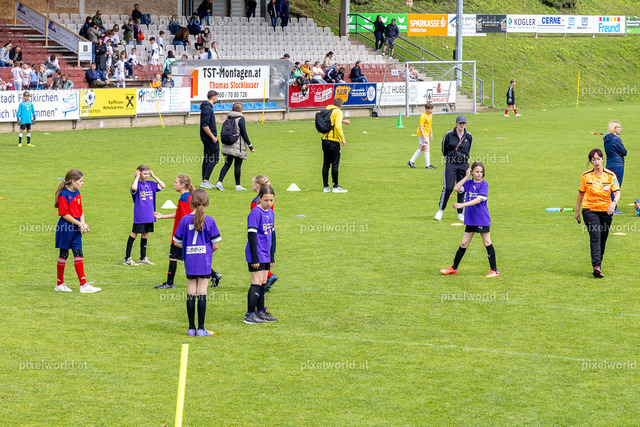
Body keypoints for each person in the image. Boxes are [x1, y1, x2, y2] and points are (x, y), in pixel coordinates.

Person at [154, 174, 221, 289]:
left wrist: (184, 234)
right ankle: (214, 275)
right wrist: (163, 216)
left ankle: (170, 283)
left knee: (174, 257)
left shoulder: (185, 198)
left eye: (176, 182)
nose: (174, 184)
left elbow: (187, 217)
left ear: (183, 185)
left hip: (182, 235)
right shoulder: (186, 197)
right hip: (184, 234)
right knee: (193, 255)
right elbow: (179, 214)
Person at [173, 189, 221, 336]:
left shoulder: (184, 220)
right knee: (202, 293)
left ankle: (191, 328)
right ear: (206, 202)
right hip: (203, 261)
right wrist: (206, 252)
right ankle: (201, 329)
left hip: (190, 260)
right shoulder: (210, 220)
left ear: (192, 202)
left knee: (191, 292)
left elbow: (176, 242)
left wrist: (188, 247)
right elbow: (216, 245)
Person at [440, 162, 499, 278]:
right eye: (477, 171)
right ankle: (454, 268)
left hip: (481, 218)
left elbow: (478, 200)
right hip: (471, 218)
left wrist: (462, 205)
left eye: (481, 172)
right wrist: (466, 176)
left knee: (487, 242)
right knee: (464, 243)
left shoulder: (484, 184)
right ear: (472, 172)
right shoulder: (468, 183)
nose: (479, 174)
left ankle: (494, 270)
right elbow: (456, 188)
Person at [54, 169, 101, 293]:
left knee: (78, 253)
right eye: (80, 181)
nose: (82, 183)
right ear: (73, 181)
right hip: (66, 228)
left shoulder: (77, 193)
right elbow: (64, 214)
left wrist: (83, 224)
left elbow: (80, 211)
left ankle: (83, 285)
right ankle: (59, 284)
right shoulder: (63, 195)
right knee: (64, 254)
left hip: (76, 227)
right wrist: (80, 224)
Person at [575, 149, 620, 278]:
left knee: (603, 238)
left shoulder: (610, 175)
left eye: (598, 159)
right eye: (593, 160)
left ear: (603, 159)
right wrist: (577, 211)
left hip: (606, 210)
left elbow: (617, 192)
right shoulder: (586, 176)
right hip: (589, 210)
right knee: (595, 236)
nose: (596, 162)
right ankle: (596, 266)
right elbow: (580, 193)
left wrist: (613, 204)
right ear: (590, 161)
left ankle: (598, 264)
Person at [243, 185, 278, 324]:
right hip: (256, 252)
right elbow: (251, 236)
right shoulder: (255, 213)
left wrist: (272, 256)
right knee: (256, 282)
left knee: (263, 282)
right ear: (259, 198)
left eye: (271, 200)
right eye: (266, 200)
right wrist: (255, 258)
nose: (268, 203)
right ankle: (249, 314)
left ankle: (260, 311)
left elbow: (272, 235)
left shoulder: (271, 213)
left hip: (266, 253)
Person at [123, 165, 166, 266]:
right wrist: (136, 177)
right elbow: (134, 188)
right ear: (139, 173)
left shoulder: (151, 184)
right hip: (140, 215)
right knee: (134, 234)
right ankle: (127, 258)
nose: (146, 176)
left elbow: (163, 186)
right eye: (144, 174)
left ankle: (143, 258)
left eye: (148, 174)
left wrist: (154, 176)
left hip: (150, 215)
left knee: (145, 235)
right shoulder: (136, 184)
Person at [435, 115, 473, 221]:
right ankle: (440, 210)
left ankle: (460, 213)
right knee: (448, 187)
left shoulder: (469, 136)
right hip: (451, 163)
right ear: (456, 123)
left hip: (463, 163)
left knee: (462, 188)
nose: (462, 125)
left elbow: (468, 149)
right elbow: (444, 149)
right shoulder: (449, 134)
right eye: (460, 123)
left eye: (463, 123)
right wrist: (450, 158)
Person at [216, 103, 256, 191]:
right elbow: (244, 134)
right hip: (237, 145)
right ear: (240, 110)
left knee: (227, 164)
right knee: (237, 165)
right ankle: (238, 185)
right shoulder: (240, 119)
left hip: (227, 144)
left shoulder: (228, 118)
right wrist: (250, 146)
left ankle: (219, 182)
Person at [251, 175, 279, 291]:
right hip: (269, 232)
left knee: (261, 260)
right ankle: (267, 278)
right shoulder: (269, 198)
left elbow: (255, 222)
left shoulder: (256, 203)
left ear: (257, 185)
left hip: (263, 234)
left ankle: (268, 277)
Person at [321, 98, 349, 193]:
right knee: (335, 164)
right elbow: (337, 126)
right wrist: (342, 139)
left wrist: (343, 121)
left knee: (326, 163)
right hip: (334, 141)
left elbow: (330, 122)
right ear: (341, 105)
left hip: (324, 139)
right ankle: (335, 186)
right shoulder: (338, 112)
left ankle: (325, 187)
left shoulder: (327, 110)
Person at [603, 120, 626, 214]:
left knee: (609, 186)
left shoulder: (606, 139)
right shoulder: (616, 139)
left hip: (609, 164)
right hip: (617, 165)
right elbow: (624, 152)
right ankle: (614, 208)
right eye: (619, 127)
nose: (621, 128)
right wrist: (620, 153)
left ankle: (608, 206)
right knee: (616, 187)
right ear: (614, 128)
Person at [200, 90, 220, 189]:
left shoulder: (206, 107)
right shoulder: (207, 109)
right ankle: (205, 180)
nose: (217, 99)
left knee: (207, 158)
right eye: (217, 97)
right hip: (209, 138)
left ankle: (204, 181)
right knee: (214, 158)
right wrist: (213, 137)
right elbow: (205, 125)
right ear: (213, 97)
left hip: (206, 138)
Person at [407, 103, 436, 169]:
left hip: (426, 133)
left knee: (422, 148)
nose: (431, 111)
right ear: (426, 109)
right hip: (422, 133)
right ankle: (428, 165)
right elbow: (421, 128)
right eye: (430, 110)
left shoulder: (430, 115)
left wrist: (431, 133)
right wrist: (424, 138)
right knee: (427, 147)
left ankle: (411, 161)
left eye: (432, 109)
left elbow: (429, 125)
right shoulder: (423, 116)